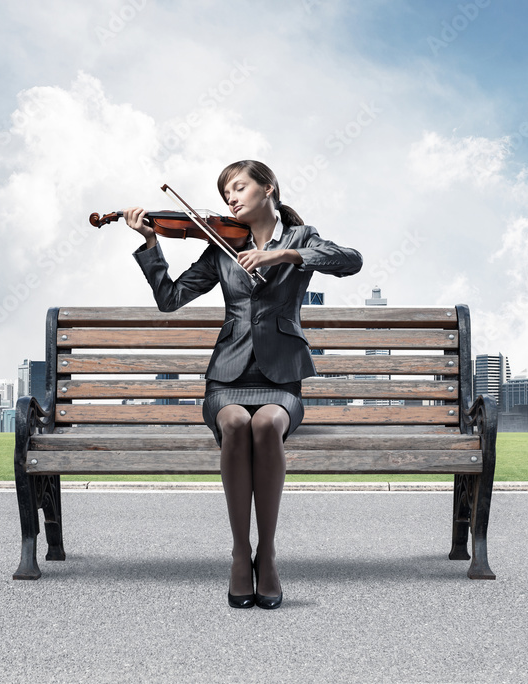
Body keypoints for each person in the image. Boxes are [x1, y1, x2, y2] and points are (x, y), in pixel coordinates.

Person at [125, 159, 363, 609]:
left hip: (282, 381)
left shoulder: (301, 238)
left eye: (238, 188)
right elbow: (169, 300)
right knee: (236, 424)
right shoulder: (220, 245)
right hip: (227, 379)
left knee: (266, 425)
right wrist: (151, 242)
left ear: (267, 188)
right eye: (225, 194)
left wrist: (282, 255)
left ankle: (267, 554)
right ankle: (240, 553)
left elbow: (351, 261)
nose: (230, 199)